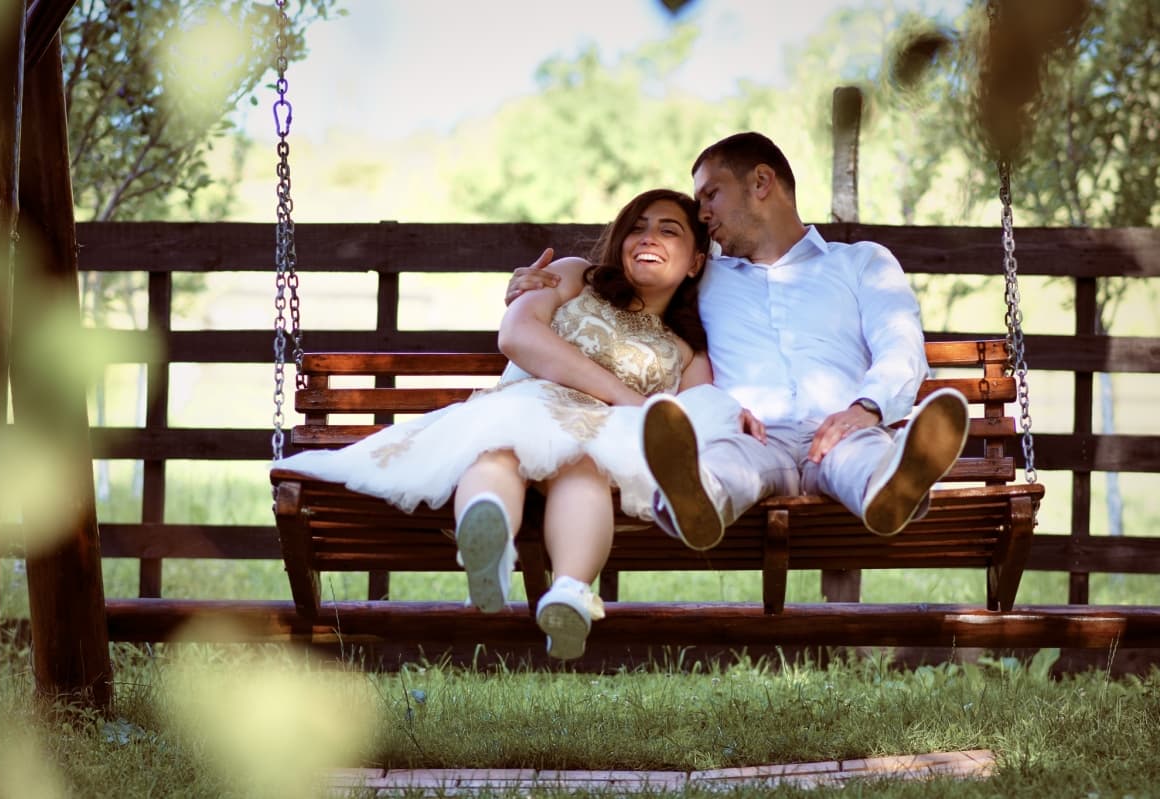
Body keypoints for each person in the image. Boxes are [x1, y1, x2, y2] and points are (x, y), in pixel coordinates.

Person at [274, 188, 744, 659]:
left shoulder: (687, 351)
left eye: (669, 230)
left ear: (695, 263)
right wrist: (627, 398)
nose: (648, 237)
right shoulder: (575, 276)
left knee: (584, 468)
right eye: (637, 227)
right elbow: (518, 334)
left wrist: (736, 415)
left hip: (599, 434)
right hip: (525, 402)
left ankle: (570, 592)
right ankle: (488, 545)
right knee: (497, 450)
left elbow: (693, 420)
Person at [506, 132, 969, 550]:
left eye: (711, 194)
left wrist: (865, 409)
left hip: (843, 429)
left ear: (761, 182)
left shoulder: (862, 263)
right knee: (724, 467)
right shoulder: (700, 273)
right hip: (753, 437)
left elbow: (899, 345)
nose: (702, 213)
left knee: (864, 457)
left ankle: (890, 486)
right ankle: (694, 499)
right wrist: (532, 285)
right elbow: (627, 285)